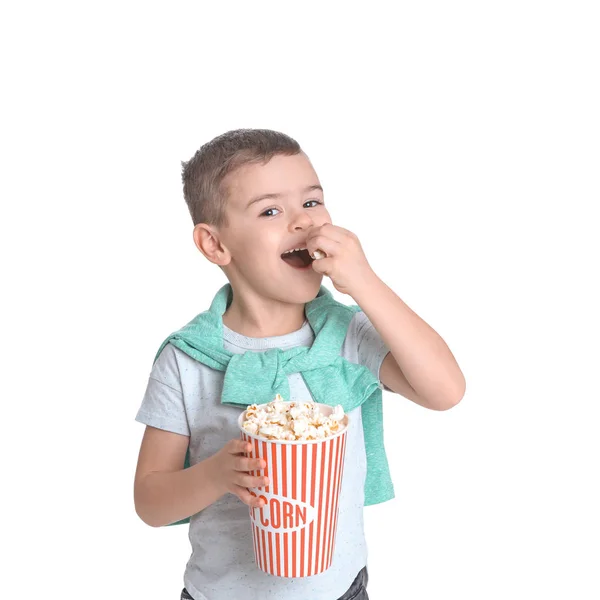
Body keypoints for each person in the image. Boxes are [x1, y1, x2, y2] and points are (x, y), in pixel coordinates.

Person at [134, 128, 465, 600]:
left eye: (312, 202)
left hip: (341, 590)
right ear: (214, 244)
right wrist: (213, 475)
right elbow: (150, 501)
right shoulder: (187, 360)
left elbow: (446, 391)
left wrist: (365, 282)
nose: (302, 223)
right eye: (270, 210)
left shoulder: (348, 335)